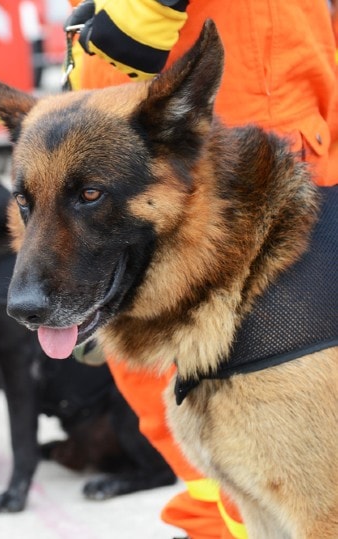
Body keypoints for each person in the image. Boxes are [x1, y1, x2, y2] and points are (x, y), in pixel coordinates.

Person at [66, 1, 337, 537]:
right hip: (128, 93)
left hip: (234, 129)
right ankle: (214, 525)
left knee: (270, 436)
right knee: (172, 396)